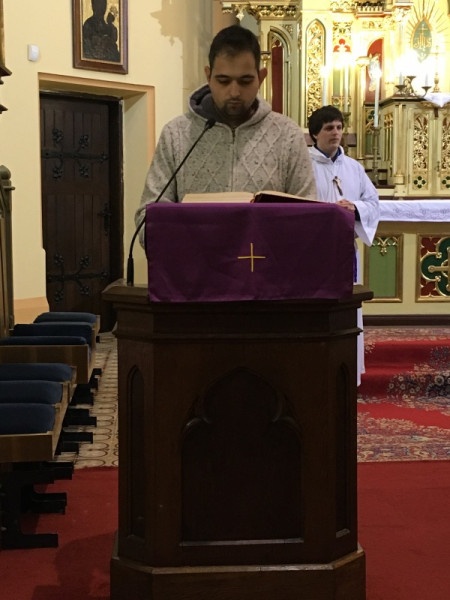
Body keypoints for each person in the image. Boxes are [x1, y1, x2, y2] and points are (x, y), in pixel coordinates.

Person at [136, 25, 316, 231]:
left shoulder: (287, 135)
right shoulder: (176, 134)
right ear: (208, 76)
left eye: (245, 81)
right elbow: (147, 217)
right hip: (196, 252)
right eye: (223, 81)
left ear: (261, 77)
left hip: (266, 252)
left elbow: (310, 217)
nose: (234, 92)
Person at [308, 105, 380, 385]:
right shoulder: (304, 165)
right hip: (312, 250)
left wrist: (355, 207)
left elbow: (373, 202)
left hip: (344, 250)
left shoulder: (353, 167)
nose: (336, 133)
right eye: (329, 128)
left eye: (339, 127)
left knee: (347, 309)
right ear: (315, 133)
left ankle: (347, 376)